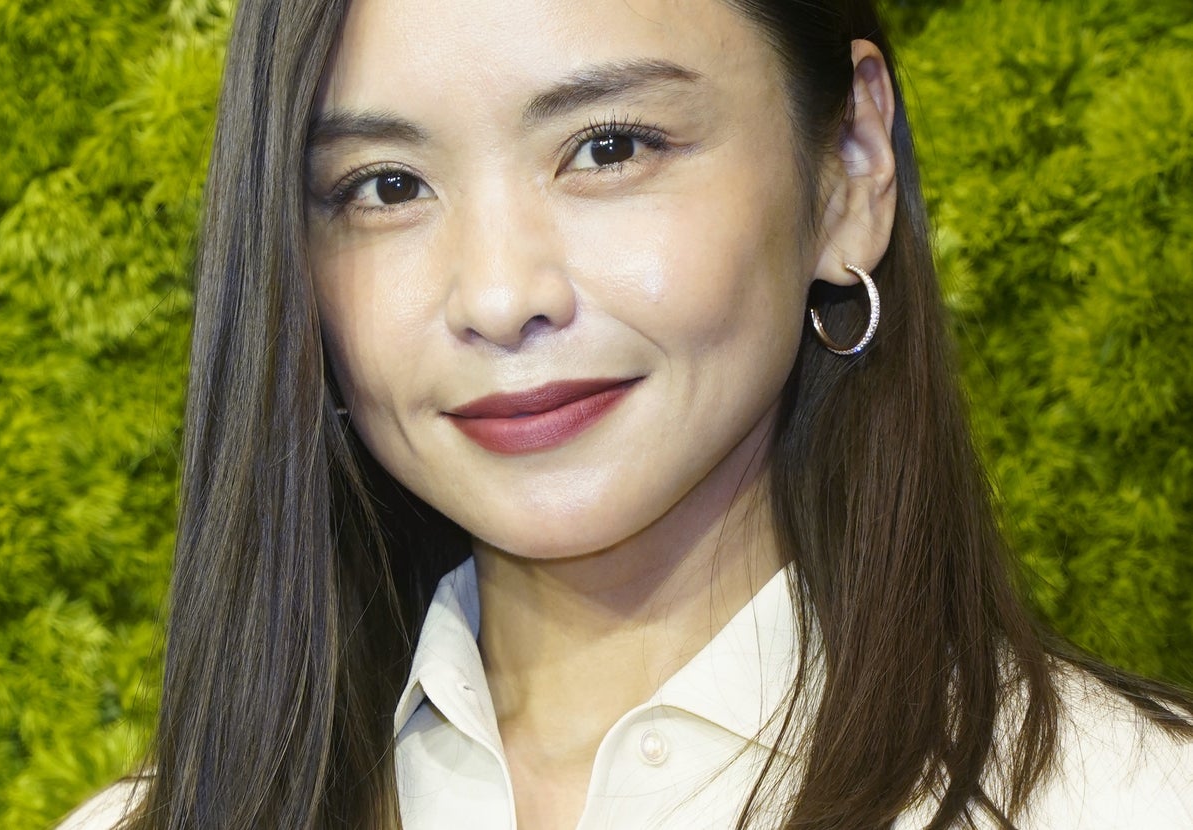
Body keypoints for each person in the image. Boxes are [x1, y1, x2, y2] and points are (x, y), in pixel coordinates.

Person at [59, 0, 1193, 827]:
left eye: (608, 147)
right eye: (385, 186)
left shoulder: (1129, 798)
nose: (498, 296)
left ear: (851, 168)